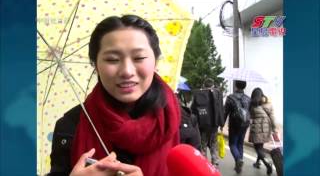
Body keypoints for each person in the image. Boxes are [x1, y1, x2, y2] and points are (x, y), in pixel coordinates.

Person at [49, 15, 181, 176]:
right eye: (112, 59)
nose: (127, 71)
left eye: (139, 58)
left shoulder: (181, 122)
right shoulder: (70, 125)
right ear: (95, 65)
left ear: (156, 61)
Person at [191, 79, 224, 166]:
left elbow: (193, 109)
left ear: (204, 85)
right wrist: (222, 124)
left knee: (203, 144)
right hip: (214, 124)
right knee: (214, 143)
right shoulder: (217, 94)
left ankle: (204, 163)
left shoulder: (198, 94)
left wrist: (194, 123)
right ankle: (215, 162)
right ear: (212, 85)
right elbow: (221, 109)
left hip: (203, 124)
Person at [223, 80, 251, 173]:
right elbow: (250, 112)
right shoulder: (248, 98)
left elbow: (225, 112)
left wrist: (221, 124)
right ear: (244, 86)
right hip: (245, 124)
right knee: (240, 144)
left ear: (236, 85)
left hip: (234, 124)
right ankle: (239, 165)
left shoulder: (230, 98)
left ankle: (238, 159)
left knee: (232, 144)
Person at [249, 87, 277, 175]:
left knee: (257, 147)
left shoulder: (252, 104)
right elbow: (272, 117)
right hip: (266, 128)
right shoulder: (268, 103)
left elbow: (250, 116)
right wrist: (274, 128)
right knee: (260, 146)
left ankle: (267, 162)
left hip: (256, 127)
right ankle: (257, 163)